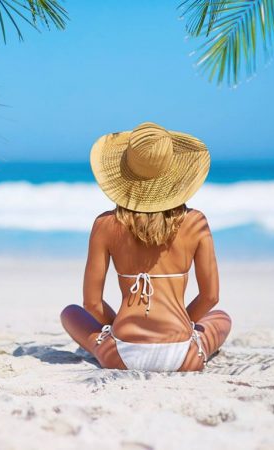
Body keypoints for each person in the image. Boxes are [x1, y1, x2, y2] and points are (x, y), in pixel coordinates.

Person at [60, 122, 231, 372]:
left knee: (71, 313)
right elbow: (211, 297)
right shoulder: (196, 222)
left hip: (121, 352)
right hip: (183, 355)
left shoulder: (105, 224)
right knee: (222, 318)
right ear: (176, 176)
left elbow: (92, 304)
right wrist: (184, 322)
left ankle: (108, 341)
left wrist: (115, 325)